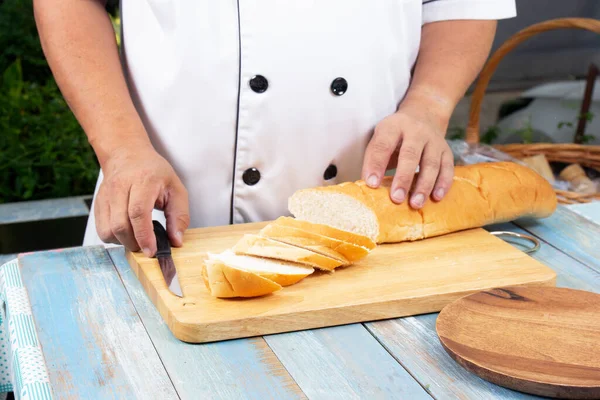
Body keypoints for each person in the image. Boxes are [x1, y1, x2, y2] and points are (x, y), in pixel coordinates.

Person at [34, 0, 516, 257]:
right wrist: (121, 149)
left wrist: (428, 105)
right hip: (167, 216)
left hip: (374, 218)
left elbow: (462, 4)